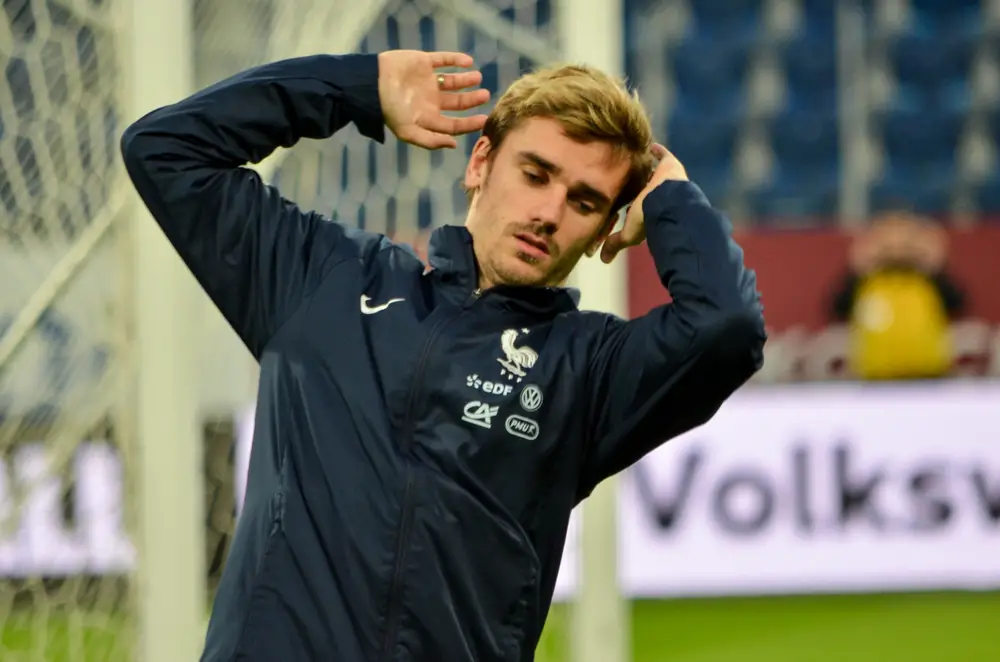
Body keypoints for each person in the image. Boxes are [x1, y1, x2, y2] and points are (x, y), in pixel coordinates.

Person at [121, 49, 765, 662]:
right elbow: (164, 149)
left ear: (603, 230)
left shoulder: (590, 370)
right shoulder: (323, 280)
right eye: (535, 174)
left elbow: (727, 327)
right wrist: (356, 88)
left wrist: (672, 199)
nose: (548, 213)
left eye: (584, 202)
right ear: (481, 162)